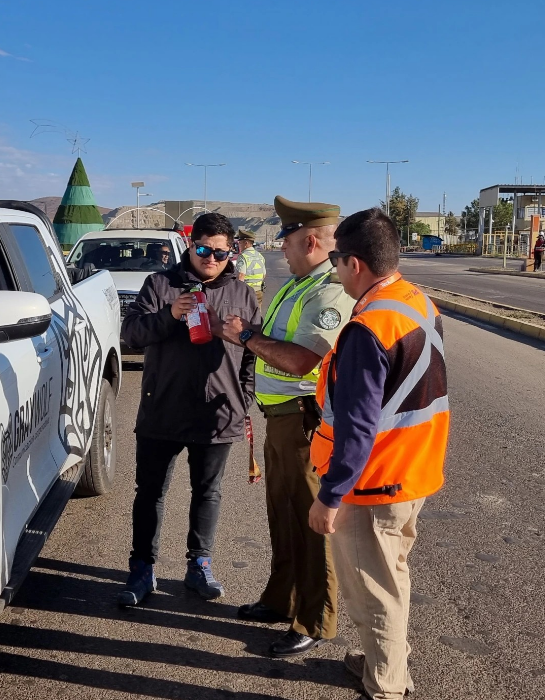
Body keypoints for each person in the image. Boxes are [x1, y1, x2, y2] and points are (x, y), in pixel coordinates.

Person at [307, 207, 450, 700]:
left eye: (335, 262)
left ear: (355, 264)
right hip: (413, 469)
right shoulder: (415, 300)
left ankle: (386, 685)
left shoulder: (368, 327)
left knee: (374, 590)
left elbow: (358, 427)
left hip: (373, 483)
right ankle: (382, 659)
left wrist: (330, 496)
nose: (335, 271)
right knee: (392, 577)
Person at [213, 195, 351, 658]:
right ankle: (281, 599)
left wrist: (245, 336)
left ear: (309, 241)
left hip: (303, 421)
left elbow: (301, 360)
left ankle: (314, 618)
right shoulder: (298, 284)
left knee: (311, 522)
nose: (281, 251)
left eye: (286, 243)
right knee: (283, 515)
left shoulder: (329, 290)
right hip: (280, 420)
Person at [118, 212, 262, 607]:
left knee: (208, 492)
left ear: (231, 253)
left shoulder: (242, 294)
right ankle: (142, 568)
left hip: (217, 415)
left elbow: (253, 354)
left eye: (220, 252)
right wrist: (170, 314)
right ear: (190, 245)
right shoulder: (160, 285)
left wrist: (243, 398)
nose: (211, 258)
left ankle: (199, 564)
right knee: (150, 492)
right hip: (162, 410)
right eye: (203, 249)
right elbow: (131, 334)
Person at [234, 230, 266, 304]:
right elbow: (264, 275)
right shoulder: (260, 255)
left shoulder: (243, 256)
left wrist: (238, 292)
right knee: (258, 310)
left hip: (247, 292)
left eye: (240, 243)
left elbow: (241, 275)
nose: (239, 245)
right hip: (258, 291)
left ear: (246, 243)